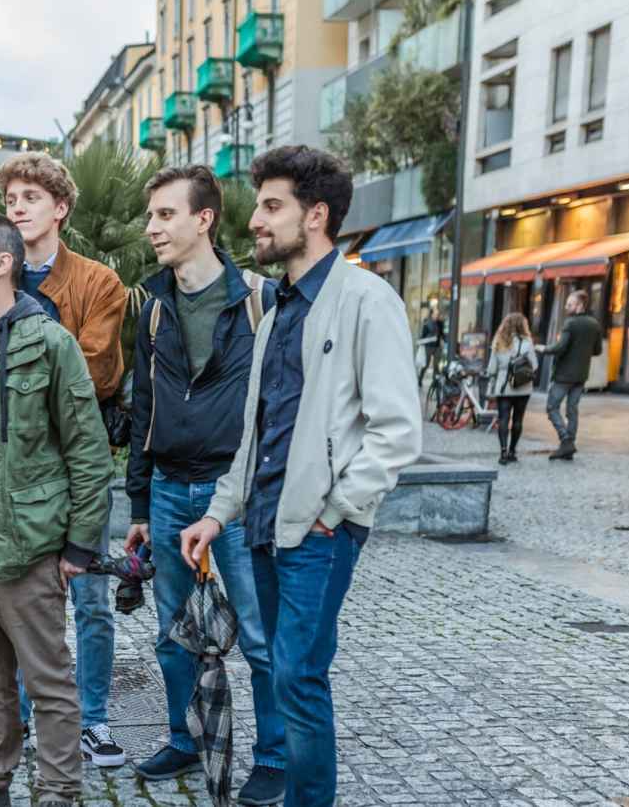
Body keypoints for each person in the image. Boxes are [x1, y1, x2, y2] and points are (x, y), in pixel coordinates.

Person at [180, 146, 422, 807]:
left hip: (317, 534)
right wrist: (217, 514)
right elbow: (255, 440)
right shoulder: (278, 312)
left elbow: (398, 429)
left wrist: (335, 509)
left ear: (315, 215)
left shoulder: (367, 301)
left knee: (299, 676)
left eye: (271, 205)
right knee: (290, 676)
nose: (255, 219)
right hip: (264, 526)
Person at [0, 210, 113, 807]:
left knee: (48, 680)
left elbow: (88, 451)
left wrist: (81, 544)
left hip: (27, 544)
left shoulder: (51, 344)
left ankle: (59, 791)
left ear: (2, 263)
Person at [123, 164, 286, 802]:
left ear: (204, 219)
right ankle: (186, 739)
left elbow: (281, 403)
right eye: (151, 215)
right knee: (172, 632)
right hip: (167, 488)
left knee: (259, 634)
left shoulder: (260, 298)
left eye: (165, 214)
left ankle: (273, 756)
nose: (152, 227)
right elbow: (142, 409)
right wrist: (139, 501)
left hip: (238, 492)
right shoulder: (154, 308)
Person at [0, 151, 127, 768]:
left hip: (78, 465)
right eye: (11, 200)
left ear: (61, 208)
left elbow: (97, 372)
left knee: (92, 600)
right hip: (17, 466)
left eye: (30, 198)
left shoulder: (98, 282)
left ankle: (94, 720)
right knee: (25, 602)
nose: (17, 208)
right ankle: (27, 721)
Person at [537, 290, 602, 461]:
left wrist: (544, 349)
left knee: (552, 407)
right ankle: (569, 445)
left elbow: (560, 347)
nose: (566, 307)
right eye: (566, 304)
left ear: (580, 305)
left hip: (564, 375)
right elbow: (597, 351)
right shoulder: (594, 324)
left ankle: (565, 440)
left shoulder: (570, 324)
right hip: (581, 375)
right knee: (572, 411)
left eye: (570, 304)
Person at [486, 313, 538, 465]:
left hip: (504, 387)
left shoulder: (499, 341)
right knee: (518, 420)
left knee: (503, 419)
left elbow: (492, 368)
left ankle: (502, 452)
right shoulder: (527, 342)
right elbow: (534, 365)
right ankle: (512, 452)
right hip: (523, 387)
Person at [416, 302, 446, 387]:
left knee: (436, 366)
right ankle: (420, 379)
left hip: (437, 347)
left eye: (438, 314)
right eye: (435, 314)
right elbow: (423, 336)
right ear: (431, 314)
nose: (437, 315)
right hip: (428, 347)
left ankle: (435, 382)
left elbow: (442, 334)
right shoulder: (427, 323)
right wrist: (423, 342)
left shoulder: (440, 323)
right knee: (426, 364)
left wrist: (444, 340)